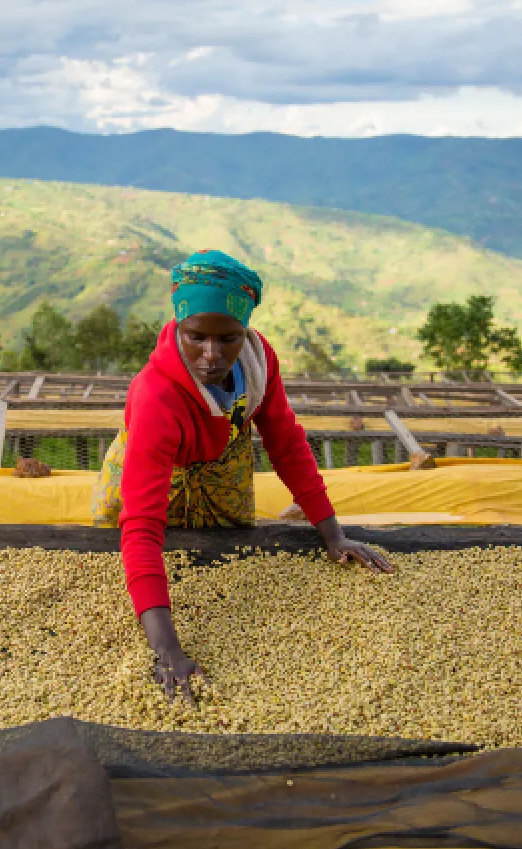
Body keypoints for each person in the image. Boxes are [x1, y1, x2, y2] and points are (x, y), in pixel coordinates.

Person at [92, 249, 392, 701]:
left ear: (245, 331)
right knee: (136, 542)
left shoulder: (257, 360)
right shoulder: (157, 396)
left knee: (220, 548)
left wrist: (332, 534)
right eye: (196, 337)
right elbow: (141, 525)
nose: (212, 355)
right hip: (154, 475)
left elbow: (285, 441)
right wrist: (167, 649)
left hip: (221, 470)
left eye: (228, 338)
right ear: (178, 326)